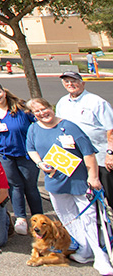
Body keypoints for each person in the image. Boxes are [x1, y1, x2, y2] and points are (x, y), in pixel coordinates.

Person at [26, 97, 113, 275]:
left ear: (51, 107)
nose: (43, 113)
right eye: (38, 112)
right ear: (33, 115)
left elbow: (89, 153)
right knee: (68, 218)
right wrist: (39, 163)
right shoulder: (33, 128)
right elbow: (31, 149)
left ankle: (100, 256)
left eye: (44, 109)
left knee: (88, 218)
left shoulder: (69, 126)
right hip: (55, 182)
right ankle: (85, 249)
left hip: (80, 181)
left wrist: (93, 177)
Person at [0, 81, 41, 235]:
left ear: (4, 92)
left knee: (30, 186)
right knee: (14, 185)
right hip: (2, 153)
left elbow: (38, 125)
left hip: (25, 153)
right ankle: (21, 218)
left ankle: (38, 218)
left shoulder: (21, 107)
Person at [55, 70, 113, 210]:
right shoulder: (62, 102)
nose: (70, 84)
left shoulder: (96, 102)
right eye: (66, 81)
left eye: (74, 81)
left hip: (100, 158)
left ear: (82, 83)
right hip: (76, 159)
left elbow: (110, 129)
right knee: (86, 198)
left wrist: (110, 153)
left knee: (110, 195)